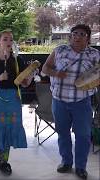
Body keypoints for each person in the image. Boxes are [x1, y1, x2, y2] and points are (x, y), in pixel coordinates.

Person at [42, 24, 100, 179]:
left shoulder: (94, 54)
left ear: (87, 38)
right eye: (74, 33)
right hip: (59, 101)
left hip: (82, 102)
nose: (77, 36)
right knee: (62, 133)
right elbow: (45, 68)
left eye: (82, 34)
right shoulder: (60, 50)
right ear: (70, 36)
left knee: (83, 135)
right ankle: (66, 162)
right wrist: (55, 73)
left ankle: (81, 166)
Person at [0, 30, 33, 175]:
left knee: (8, 128)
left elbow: (24, 84)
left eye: (11, 39)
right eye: (5, 39)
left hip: (13, 100)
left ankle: (4, 162)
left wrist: (28, 80)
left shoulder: (18, 60)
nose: (9, 42)